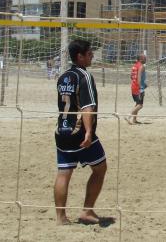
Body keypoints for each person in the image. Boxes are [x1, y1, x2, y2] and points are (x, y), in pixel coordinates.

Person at [54, 40, 107, 225]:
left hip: (61, 132)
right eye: (89, 53)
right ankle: (87, 210)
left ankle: (61, 218)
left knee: (63, 173)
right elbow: (87, 108)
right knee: (100, 168)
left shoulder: (63, 77)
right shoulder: (85, 76)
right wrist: (89, 133)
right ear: (80, 57)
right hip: (80, 133)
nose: (92, 55)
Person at [128, 53, 147, 125]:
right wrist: (141, 87)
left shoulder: (134, 66)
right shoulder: (141, 66)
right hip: (138, 88)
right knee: (140, 105)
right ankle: (128, 116)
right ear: (141, 59)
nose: (146, 59)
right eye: (145, 58)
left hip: (133, 86)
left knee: (137, 104)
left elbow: (131, 76)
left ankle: (134, 120)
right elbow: (139, 78)